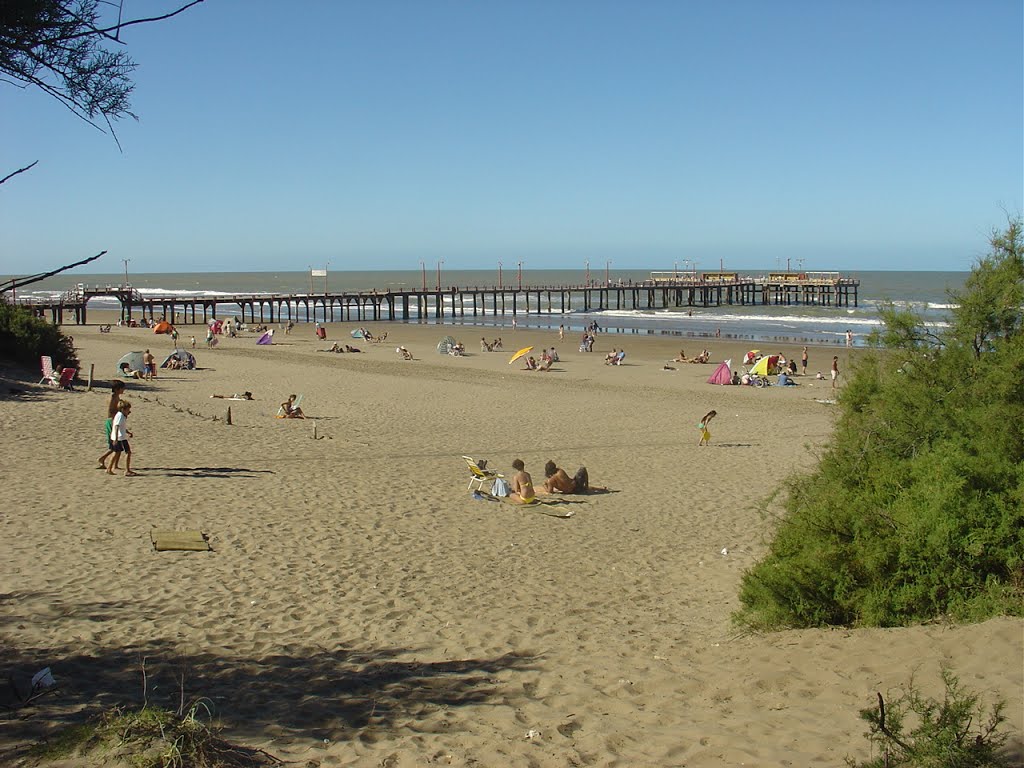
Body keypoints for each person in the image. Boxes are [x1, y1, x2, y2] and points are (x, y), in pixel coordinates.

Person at [97, 381, 126, 470]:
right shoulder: (112, 397)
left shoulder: (117, 397)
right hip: (112, 421)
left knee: (120, 444)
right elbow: (110, 412)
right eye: (122, 388)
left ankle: (115, 465)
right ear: (117, 389)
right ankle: (102, 459)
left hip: (117, 421)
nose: (124, 390)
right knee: (114, 445)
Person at [107, 400, 137, 476]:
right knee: (127, 452)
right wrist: (116, 439)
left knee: (116, 453)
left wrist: (128, 432)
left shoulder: (120, 415)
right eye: (128, 410)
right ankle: (126, 470)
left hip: (120, 437)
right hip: (120, 438)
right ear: (123, 409)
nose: (129, 412)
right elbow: (117, 427)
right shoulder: (120, 416)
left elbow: (121, 427)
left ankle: (109, 468)